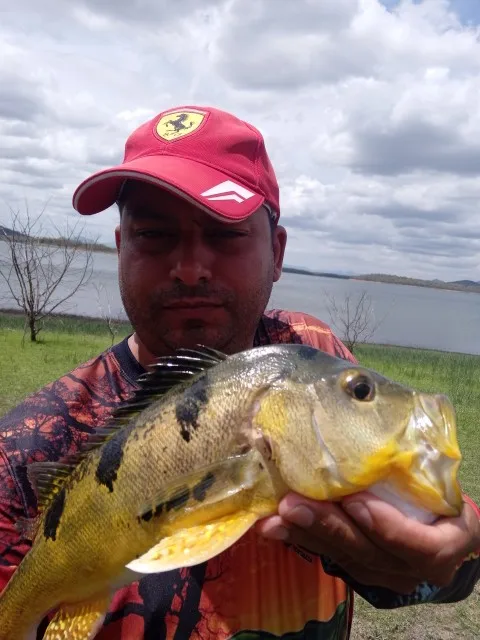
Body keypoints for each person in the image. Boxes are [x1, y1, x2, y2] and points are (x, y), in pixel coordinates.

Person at [0, 105, 478, 640]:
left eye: (225, 233)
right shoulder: (27, 447)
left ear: (277, 252)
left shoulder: (312, 352)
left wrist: (448, 559)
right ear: (120, 248)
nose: (189, 269)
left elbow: (433, 567)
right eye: (154, 234)